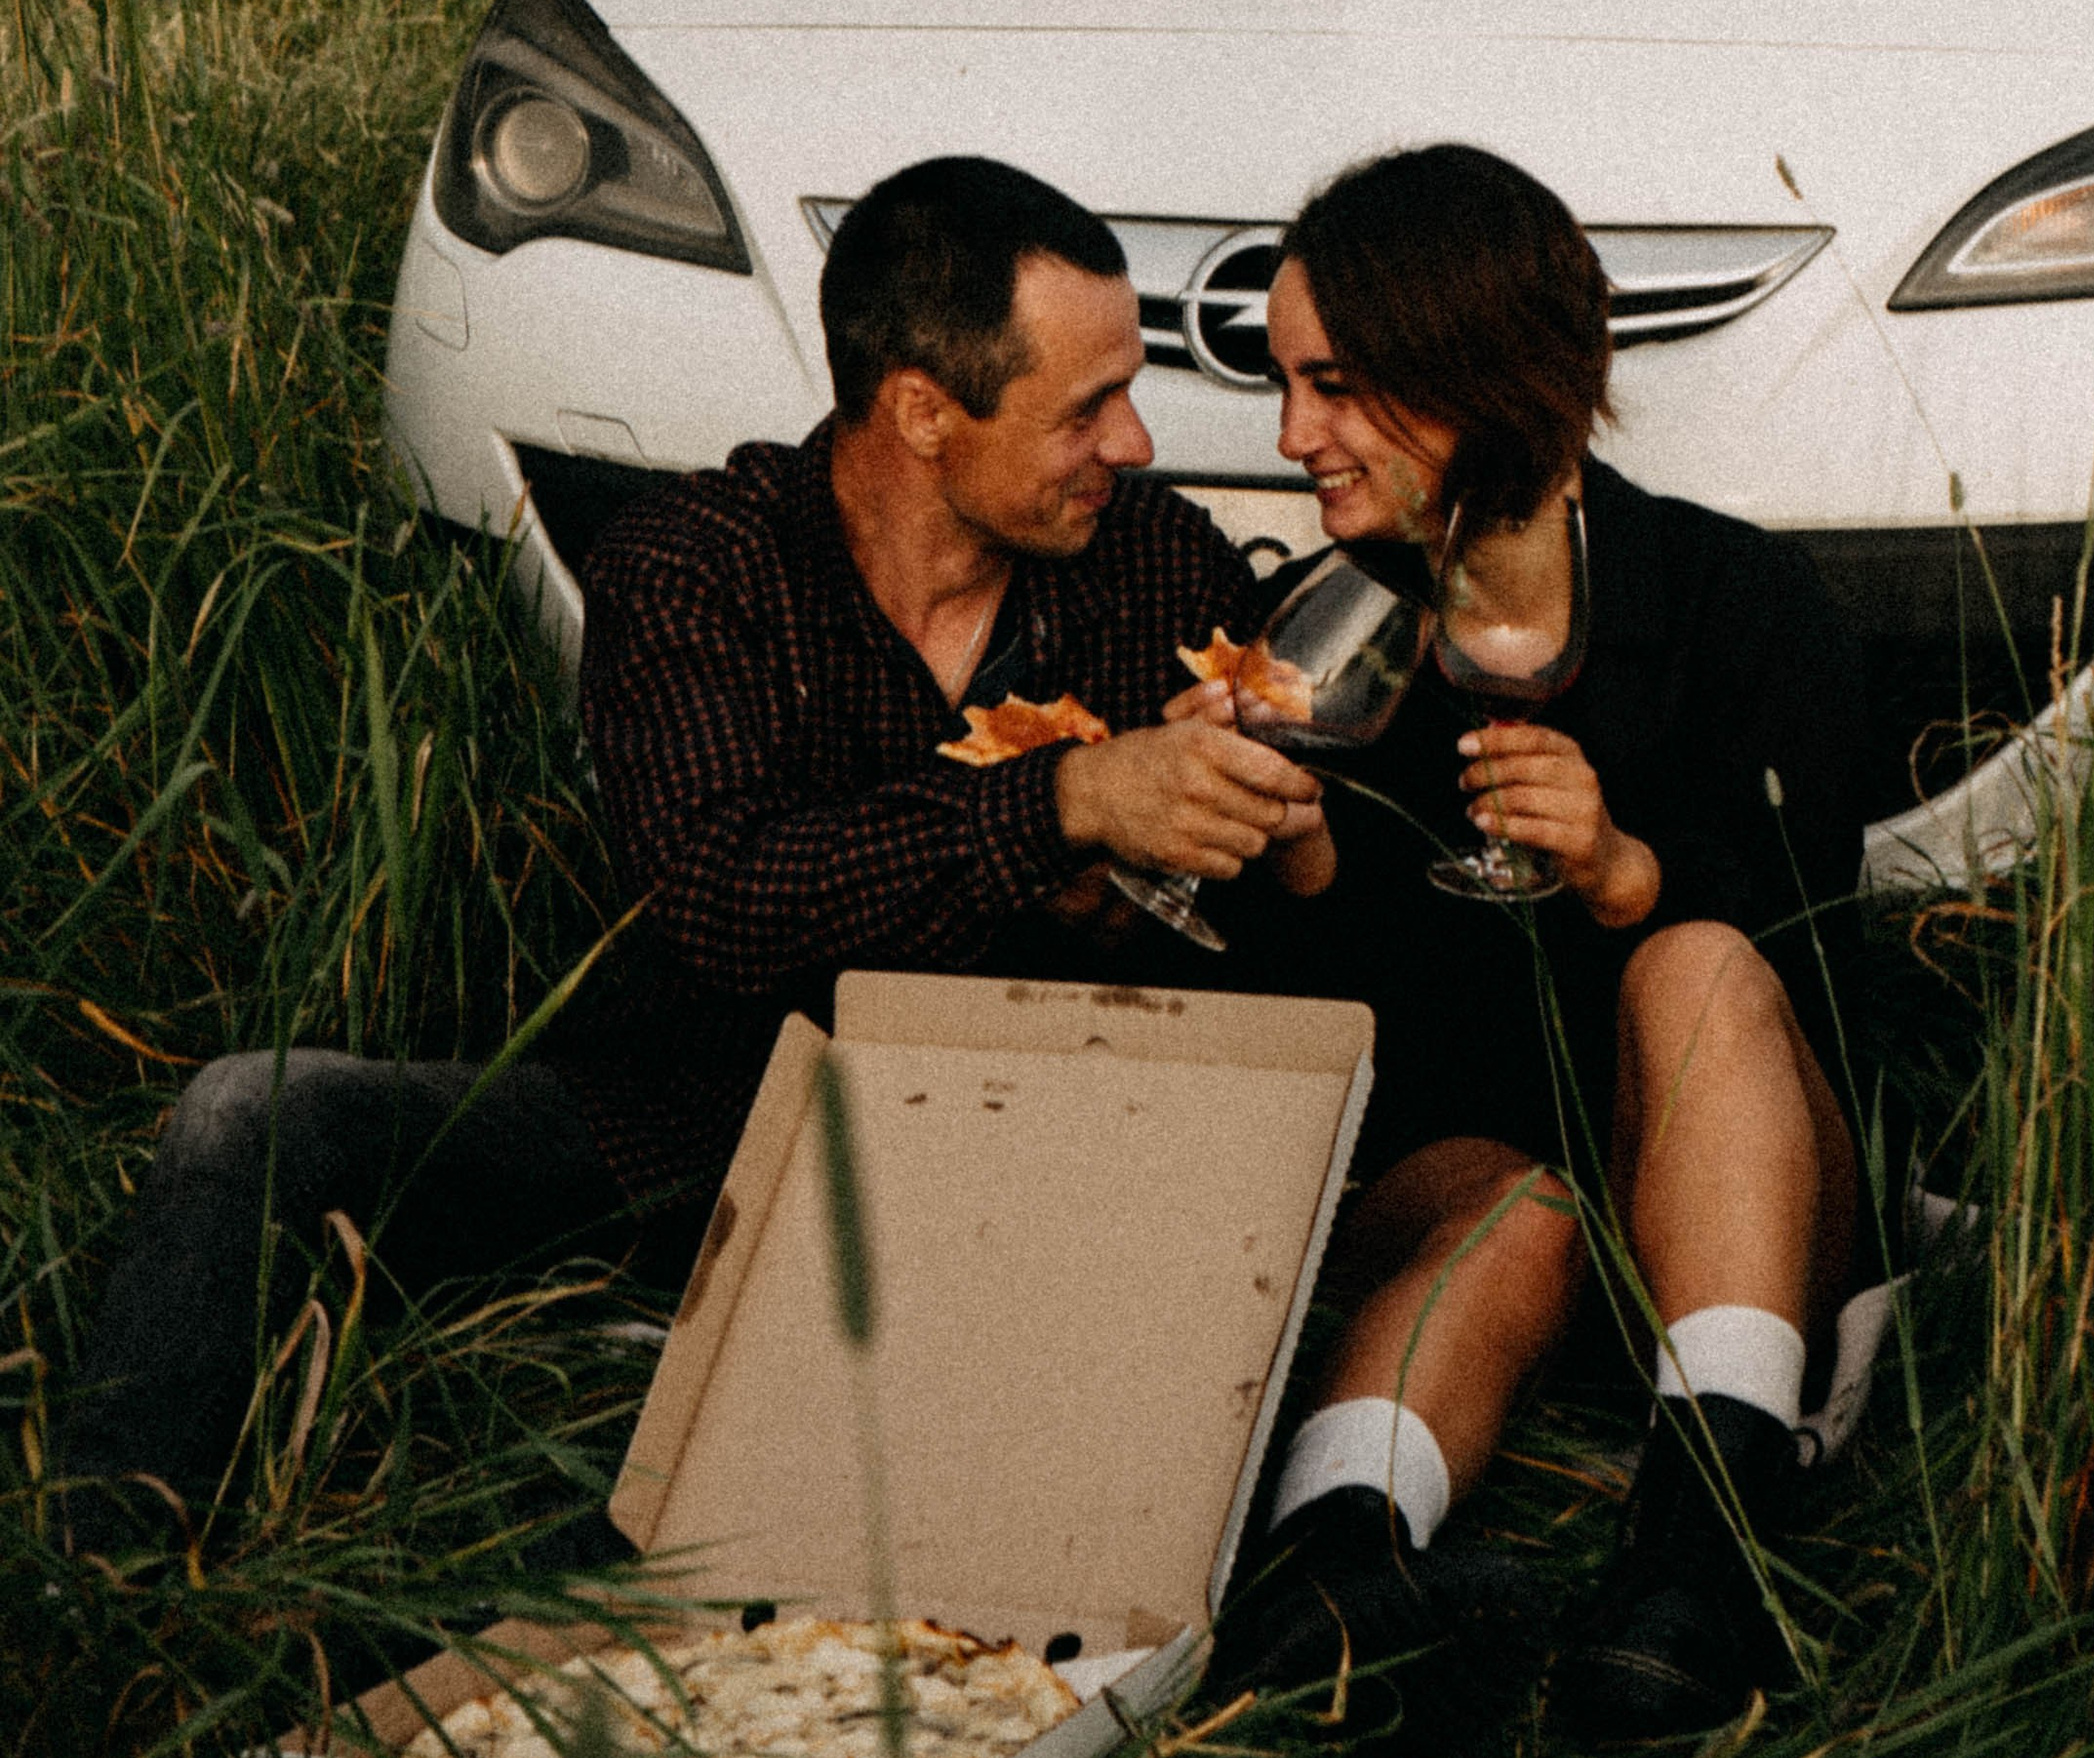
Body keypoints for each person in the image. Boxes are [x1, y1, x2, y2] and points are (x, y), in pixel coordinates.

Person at [59, 155, 1324, 1542]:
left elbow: (1244, 932)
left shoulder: (1153, 564)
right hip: (684, 1121)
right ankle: (105, 1572)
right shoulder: (698, 565)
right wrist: (1063, 804)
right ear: (919, 410)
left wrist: (1223, 848)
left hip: (1015, 1148)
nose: (1136, 444)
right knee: (261, 1111)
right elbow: (723, 899)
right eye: (1088, 409)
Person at [1204, 142, 1870, 1739]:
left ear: (1474, 374)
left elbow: (1818, 948)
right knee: (1512, 1203)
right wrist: (1291, 859)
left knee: (1690, 966)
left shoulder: (1736, 600)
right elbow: (1342, 1036)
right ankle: (1330, 1584)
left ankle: (1701, 1560)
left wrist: (1628, 869)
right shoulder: (1327, 628)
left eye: (1338, 384)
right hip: (1490, 1175)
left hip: (1744, 1191)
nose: (1296, 436)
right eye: (1290, 385)